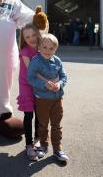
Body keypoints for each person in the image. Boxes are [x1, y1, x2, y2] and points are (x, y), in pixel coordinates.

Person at [27, 33, 69, 162]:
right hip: (42, 99)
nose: (47, 51)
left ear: (55, 49)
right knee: (43, 125)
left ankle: (57, 149)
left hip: (57, 99)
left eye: (51, 48)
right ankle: (43, 146)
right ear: (39, 47)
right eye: (44, 47)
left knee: (56, 125)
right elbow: (31, 78)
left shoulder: (57, 60)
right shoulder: (35, 61)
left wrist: (59, 84)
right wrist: (45, 84)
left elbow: (64, 76)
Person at [16, 23, 41, 161]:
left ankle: (38, 138)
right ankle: (28, 144)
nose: (31, 38)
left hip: (39, 85)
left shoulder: (42, 48)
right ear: (23, 39)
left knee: (39, 112)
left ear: (38, 34)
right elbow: (32, 71)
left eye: (33, 35)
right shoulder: (25, 51)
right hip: (27, 84)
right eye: (27, 37)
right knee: (29, 113)